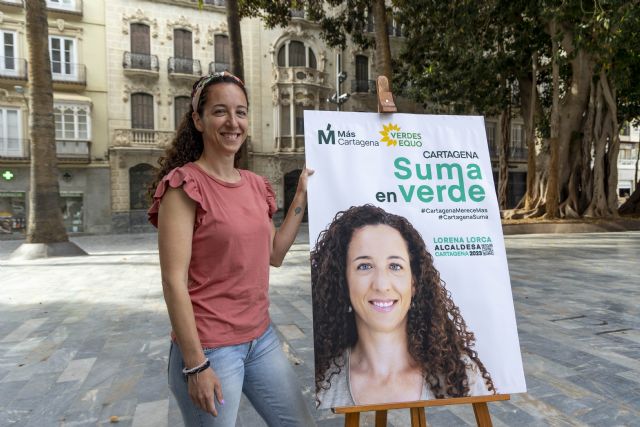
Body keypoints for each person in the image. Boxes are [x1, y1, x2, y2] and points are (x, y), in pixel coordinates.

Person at [148, 71, 315, 426]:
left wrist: (300, 197)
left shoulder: (255, 185)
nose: (233, 122)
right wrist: (196, 365)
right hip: (209, 348)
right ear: (198, 119)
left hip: (261, 339)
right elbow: (173, 282)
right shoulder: (183, 186)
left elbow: (275, 255)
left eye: (241, 112)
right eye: (220, 111)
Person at [311, 205, 496, 408]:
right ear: (343, 282)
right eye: (364, 266)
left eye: (395, 266)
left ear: (414, 283)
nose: (381, 285)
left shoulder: (462, 375)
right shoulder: (323, 382)